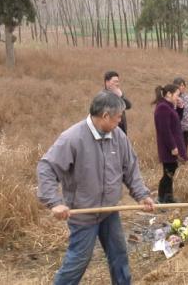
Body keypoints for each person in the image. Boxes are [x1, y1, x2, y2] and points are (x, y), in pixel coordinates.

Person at [37, 91, 155, 285]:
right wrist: (54, 203)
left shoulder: (118, 136)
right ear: (105, 116)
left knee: (119, 255)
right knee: (78, 261)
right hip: (84, 214)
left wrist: (142, 195)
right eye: (118, 118)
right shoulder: (73, 138)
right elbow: (47, 167)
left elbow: (130, 168)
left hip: (109, 211)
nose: (120, 122)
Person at [153, 84, 188, 203]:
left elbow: (175, 121)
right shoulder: (163, 108)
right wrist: (173, 147)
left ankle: (168, 197)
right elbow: (165, 130)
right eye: (177, 95)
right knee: (168, 173)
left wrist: (180, 107)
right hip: (168, 147)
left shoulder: (168, 107)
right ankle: (162, 198)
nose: (178, 97)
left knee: (170, 172)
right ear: (169, 94)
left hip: (171, 146)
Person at [103, 71, 132, 135]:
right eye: (115, 81)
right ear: (107, 82)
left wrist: (121, 96)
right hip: (110, 132)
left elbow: (129, 106)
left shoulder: (119, 94)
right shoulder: (102, 96)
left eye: (118, 81)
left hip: (122, 131)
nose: (117, 84)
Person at [173, 77, 188, 148]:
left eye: (183, 85)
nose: (182, 87)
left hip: (187, 127)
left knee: (184, 147)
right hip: (176, 128)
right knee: (176, 147)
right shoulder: (173, 98)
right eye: (180, 85)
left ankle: (183, 158)